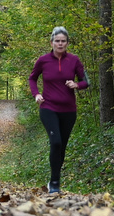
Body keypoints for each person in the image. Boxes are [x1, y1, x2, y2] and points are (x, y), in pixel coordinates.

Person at [27, 27, 88, 194]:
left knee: (61, 147)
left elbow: (86, 81)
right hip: (48, 107)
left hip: (69, 110)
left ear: (67, 43)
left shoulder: (74, 60)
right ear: (52, 42)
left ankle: (53, 179)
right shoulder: (43, 60)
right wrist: (36, 94)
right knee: (55, 142)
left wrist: (76, 85)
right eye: (57, 41)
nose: (60, 44)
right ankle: (54, 183)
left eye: (63, 41)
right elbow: (32, 78)